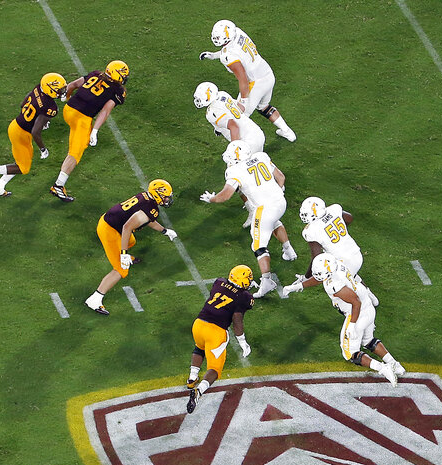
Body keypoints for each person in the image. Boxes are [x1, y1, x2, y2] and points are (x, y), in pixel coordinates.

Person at [200, 140, 298, 298]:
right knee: (272, 222)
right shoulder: (261, 156)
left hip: (265, 209)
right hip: (280, 202)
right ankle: (289, 251)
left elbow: (225, 196)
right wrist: (278, 193)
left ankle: (267, 282)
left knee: (258, 245)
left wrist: (212, 199)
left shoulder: (234, 171)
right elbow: (281, 177)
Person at [285, 254, 402, 385]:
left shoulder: (333, 284)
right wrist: (299, 286)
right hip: (368, 307)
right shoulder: (338, 265)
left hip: (357, 313)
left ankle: (384, 368)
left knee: (350, 353)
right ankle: (395, 365)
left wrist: (352, 325)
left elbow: (355, 303)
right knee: (368, 340)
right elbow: (321, 278)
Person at [84, 180, 177, 315]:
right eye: (166, 196)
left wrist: (164, 231)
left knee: (131, 240)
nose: (167, 199)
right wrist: (124, 254)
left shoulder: (146, 197)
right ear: (157, 194)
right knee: (122, 269)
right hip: (109, 230)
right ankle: (95, 299)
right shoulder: (150, 207)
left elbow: (147, 217)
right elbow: (127, 227)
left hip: (111, 222)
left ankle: (124, 254)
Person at [199, 20, 296, 142]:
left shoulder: (228, 56)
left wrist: (243, 102)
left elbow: (243, 78)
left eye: (219, 37)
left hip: (254, 83)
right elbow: (232, 50)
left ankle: (242, 150)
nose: (216, 39)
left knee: (237, 118)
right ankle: (287, 132)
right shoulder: (238, 32)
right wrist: (214, 55)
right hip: (267, 73)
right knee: (263, 107)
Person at [50, 61, 129, 202]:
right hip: (82, 118)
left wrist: (66, 95)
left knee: (77, 141)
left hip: (68, 110)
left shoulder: (96, 74)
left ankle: (59, 184)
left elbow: (73, 85)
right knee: (75, 153)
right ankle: (58, 186)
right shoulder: (118, 90)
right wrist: (95, 131)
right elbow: (105, 111)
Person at [0, 73, 65, 197]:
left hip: (15, 125)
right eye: (59, 89)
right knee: (23, 168)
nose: (62, 91)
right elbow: (36, 132)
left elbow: (23, 103)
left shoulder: (38, 89)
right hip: (21, 134)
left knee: (21, 160)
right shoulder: (51, 107)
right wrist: (43, 149)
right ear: (50, 89)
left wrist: (34, 119)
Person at [186, 265, 255, 414]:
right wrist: (242, 342)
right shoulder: (245, 297)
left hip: (198, 324)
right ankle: (199, 391)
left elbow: (227, 292)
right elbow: (237, 320)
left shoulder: (219, 282)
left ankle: (192, 379)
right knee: (215, 369)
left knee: (199, 347)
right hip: (215, 332)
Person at [193, 81, 266, 154]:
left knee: (236, 163)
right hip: (257, 132)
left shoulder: (212, 112)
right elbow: (241, 108)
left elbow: (234, 127)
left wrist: (234, 149)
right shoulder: (222, 94)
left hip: (247, 141)